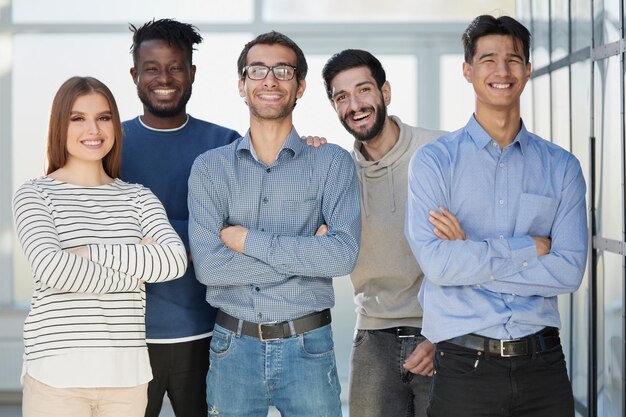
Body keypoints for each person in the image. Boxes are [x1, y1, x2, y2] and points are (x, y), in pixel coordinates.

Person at [405, 15, 588, 417]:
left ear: (528, 69)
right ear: (467, 70)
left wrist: (469, 252)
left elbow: (569, 271)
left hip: (544, 366)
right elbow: (438, 265)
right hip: (464, 367)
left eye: (513, 59)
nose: (502, 71)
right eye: (488, 59)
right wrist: (530, 248)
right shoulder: (435, 162)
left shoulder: (562, 167)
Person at [188, 31, 361, 417]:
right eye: (258, 70)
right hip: (232, 346)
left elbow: (341, 257)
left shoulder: (331, 163)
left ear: (300, 87)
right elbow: (210, 266)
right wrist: (307, 253)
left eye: (283, 70)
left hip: (308, 347)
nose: (270, 79)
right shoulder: (211, 168)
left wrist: (245, 240)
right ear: (241, 84)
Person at [13, 76, 187, 417]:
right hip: (55, 375)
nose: (93, 129)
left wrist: (87, 252)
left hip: (127, 378)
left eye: (104, 117)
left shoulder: (138, 197)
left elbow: (173, 261)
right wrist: (136, 272)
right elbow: (52, 269)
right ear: (59, 125)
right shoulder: (35, 194)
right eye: (77, 118)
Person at [120, 19, 240, 417]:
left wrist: (151, 241)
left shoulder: (225, 144)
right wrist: (197, 234)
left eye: (175, 67)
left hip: (209, 334)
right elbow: (100, 231)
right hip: (125, 338)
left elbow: (238, 231)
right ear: (136, 75)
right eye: (152, 68)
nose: (164, 77)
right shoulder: (109, 144)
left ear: (192, 73)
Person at [321, 49, 442, 417]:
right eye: (342, 97)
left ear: (385, 92)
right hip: (373, 336)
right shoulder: (336, 173)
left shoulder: (440, 150)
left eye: (364, 90)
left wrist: (443, 333)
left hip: (441, 330)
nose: (355, 105)